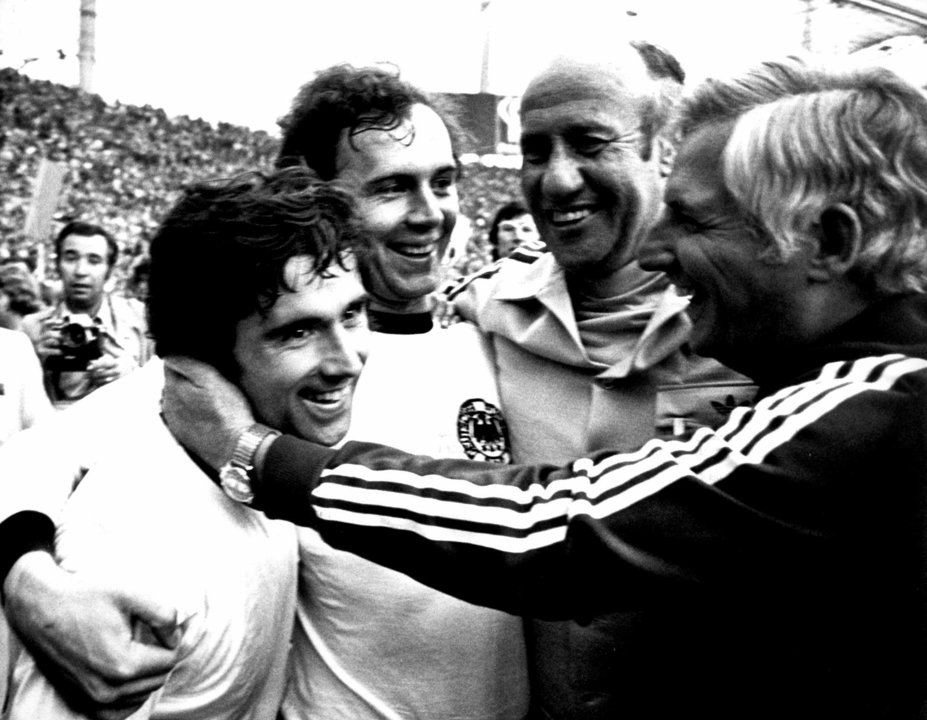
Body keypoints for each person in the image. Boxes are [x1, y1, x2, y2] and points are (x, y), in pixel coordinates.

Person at [162, 56, 927, 720]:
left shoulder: (870, 407)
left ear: (829, 241)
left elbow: (551, 524)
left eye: (694, 222)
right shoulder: (485, 314)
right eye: (533, 151)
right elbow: (144, 413)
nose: (658, 249)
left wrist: (258, 458)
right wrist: (33, 558)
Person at [0, 64, 527, 720]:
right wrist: (32, 585)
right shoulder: (254, 373)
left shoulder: (497, 338)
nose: (429, 213)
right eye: (393, 187)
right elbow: (31, 459)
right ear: (316, 198)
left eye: (443, 182)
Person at [443, 40, 753, 719]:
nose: (556, 180)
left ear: (660, 150)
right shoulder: (481, 316)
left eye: (588, 143)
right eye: (534, 150)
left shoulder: (747, 326)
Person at [5, 166, 370, 719]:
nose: (347, 360)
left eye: (352, 314)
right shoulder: (134, 555)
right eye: (297, 332)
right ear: (204, 361)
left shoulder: (267, 453)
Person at [22, 221, 152, 408]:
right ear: (57, 264)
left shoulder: (139, 319)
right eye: (71, 258)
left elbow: (168, 388)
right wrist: (33, 365)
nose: (81, 271)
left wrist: (134, 377)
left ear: (109, 270)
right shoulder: (33, 328)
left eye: (94, 261)